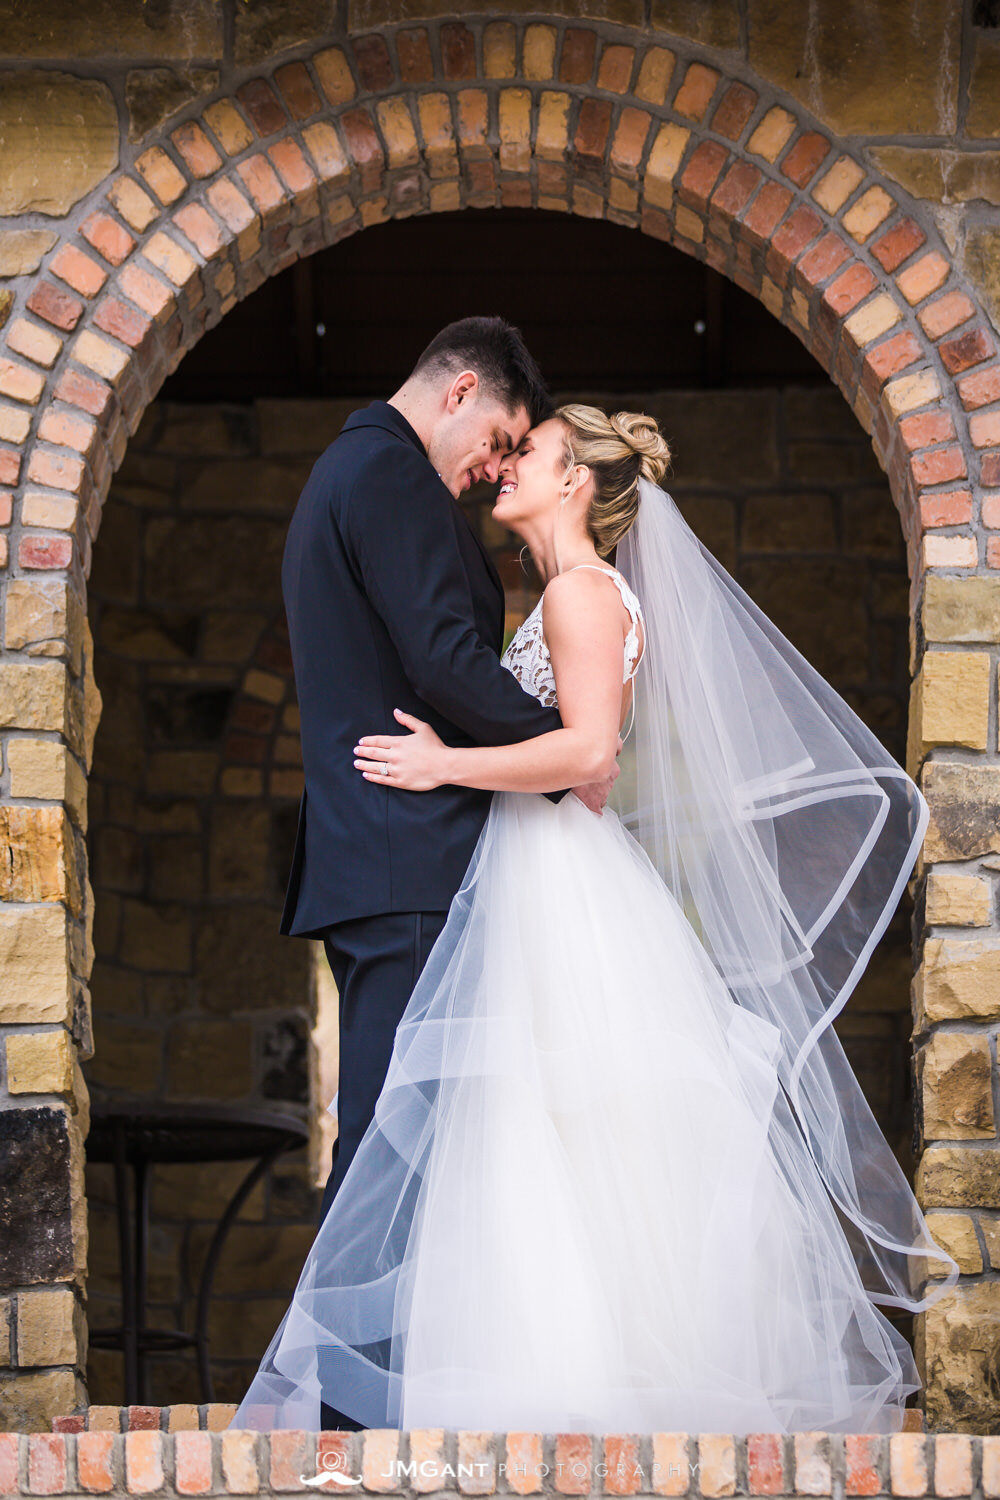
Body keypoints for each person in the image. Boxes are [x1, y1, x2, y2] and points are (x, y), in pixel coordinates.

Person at [234, 402, 959, 1436]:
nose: (505, 467)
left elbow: (586, 757)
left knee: (563, 1121)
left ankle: (579, 1398)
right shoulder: (559, 594)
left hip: (561, 883)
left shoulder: (581, 595)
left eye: (526, 452)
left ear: (574, 479)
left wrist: (445, 763)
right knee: (527, 1133)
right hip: (535, 871)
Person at [276, 317, 615, 1429]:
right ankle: (347, 1429)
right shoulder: (391, 476)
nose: (493, 470)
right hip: (405, 863)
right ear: (460, 389)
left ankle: (378, 1410)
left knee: (410, 1143)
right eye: (501, 438)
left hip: (384, 860)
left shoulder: (353, 468)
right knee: (392, 1148)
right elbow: (443, 660)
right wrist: (566, 756)